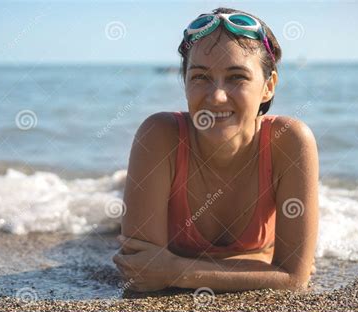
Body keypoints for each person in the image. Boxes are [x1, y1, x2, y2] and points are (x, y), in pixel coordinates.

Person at [113, 7, 319, 293]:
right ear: (184, 82)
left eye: (237, 77)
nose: (217, 96)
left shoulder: (289, 141)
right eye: (200, 77)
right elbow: (139, 273)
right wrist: (259, 268)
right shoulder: (159, 135)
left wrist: (174, 269)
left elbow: (294, 280)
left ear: (268, 86)